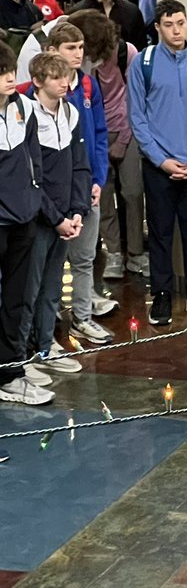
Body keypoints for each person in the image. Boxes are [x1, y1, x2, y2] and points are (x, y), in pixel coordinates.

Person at [127, 0, 187, 326]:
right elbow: (137, 118)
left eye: (181, 22)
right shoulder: (143, 63)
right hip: (159, 167)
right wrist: (161, 160)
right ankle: (162, 297)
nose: (176, 29)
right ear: (157, 28)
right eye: (169, 24)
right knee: (161, 234)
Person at [18, 52, 89, 396]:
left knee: (50, 288)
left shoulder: (72, 113)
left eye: (67, 77)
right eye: (57, 77)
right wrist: (55, 218)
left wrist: (76, 211)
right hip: (38, 219)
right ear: (38, 81)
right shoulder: (27, 116)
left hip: (65, 217)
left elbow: (79, 165)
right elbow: (33, 178)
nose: (65, 82)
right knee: (27, 290)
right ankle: (23, 355)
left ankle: (46, 345)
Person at [39, 22, 112, 345]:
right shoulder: (34, 92)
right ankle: (48, 325)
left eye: (80, 48)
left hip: (85, 187)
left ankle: (83, 317)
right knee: (48, 266)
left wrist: (98, 179)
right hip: (53, 195)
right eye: (70, 48)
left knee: (84, 258)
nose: (77, 54)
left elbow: (98, 135)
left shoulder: (86, 85)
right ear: (53, 50)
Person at [0, 42, 60, 405]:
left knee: (18, 300)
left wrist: (34, 197)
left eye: (11, 70)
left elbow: (33, 158)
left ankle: (12, 373)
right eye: (2, 73)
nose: (10, 78)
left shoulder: (23, 107)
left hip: (23, 219)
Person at [71, 9, 146, 282]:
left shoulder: (128, 53)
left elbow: (135, 101)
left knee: (133, 193)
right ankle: (114, 252)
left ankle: (136, 253)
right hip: (95, 136)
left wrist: (124, 139)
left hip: (127, 131)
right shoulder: (82, 61)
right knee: (102, 196)